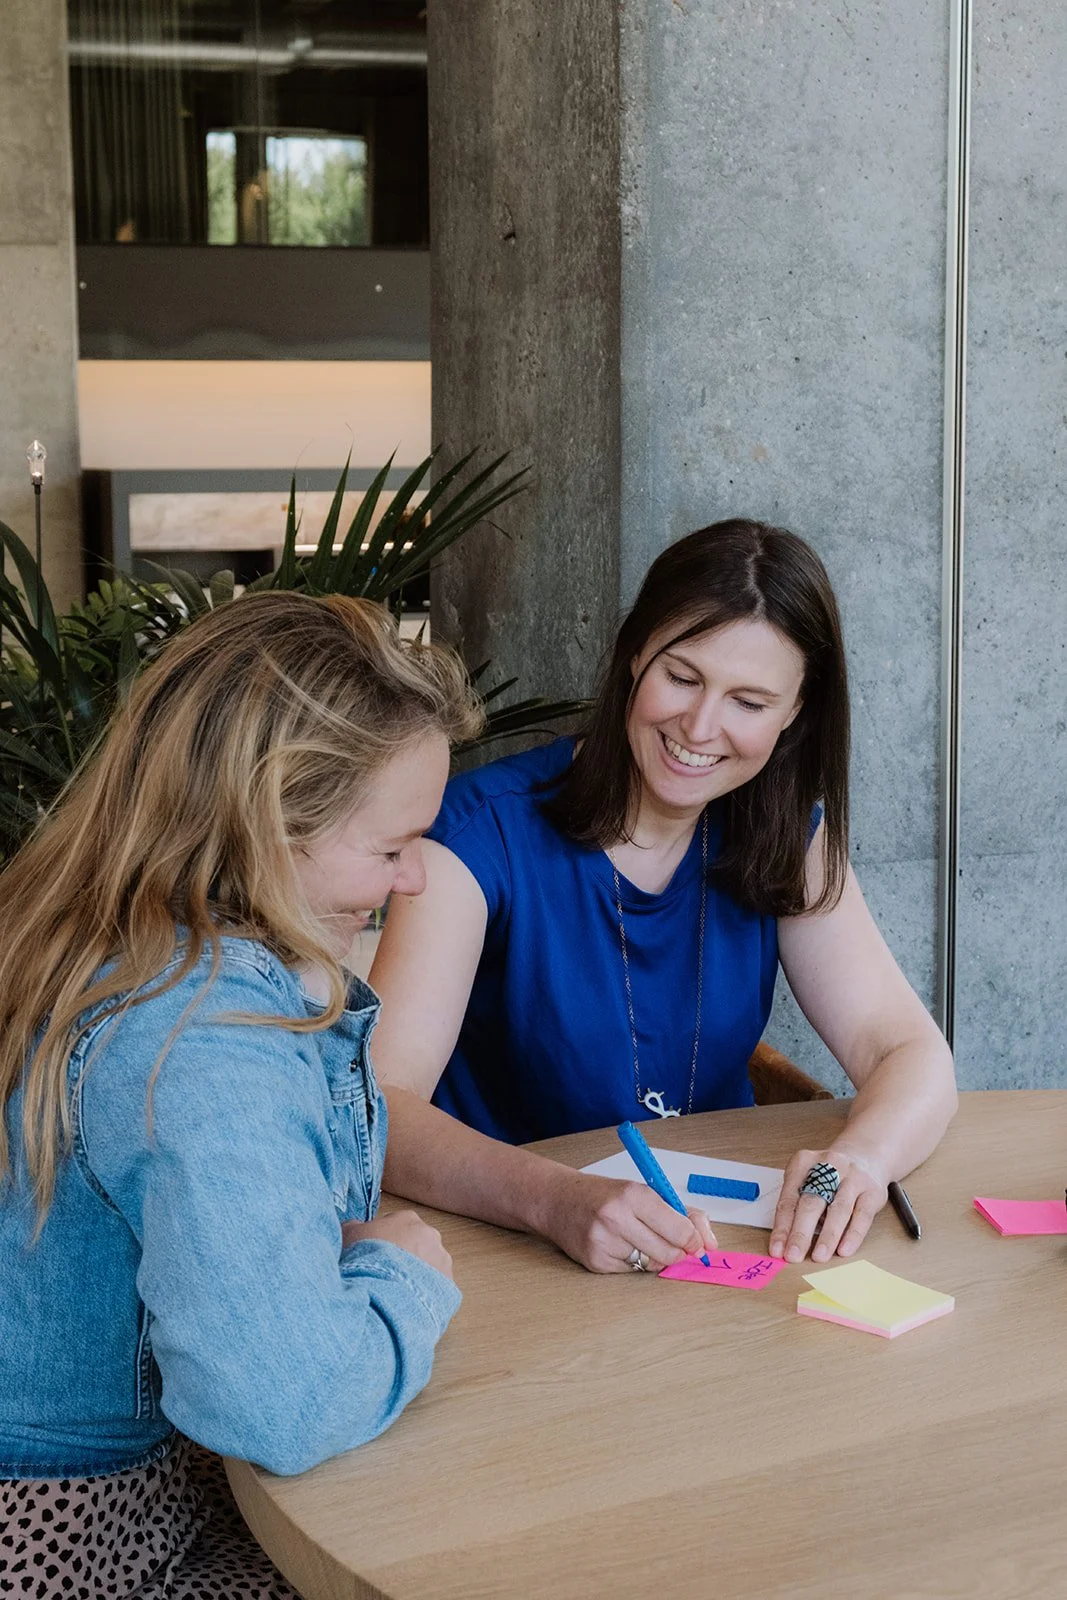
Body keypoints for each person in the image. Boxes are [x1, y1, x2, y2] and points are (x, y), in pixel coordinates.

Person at [0, 593, 482, 1598]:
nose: (412, 880)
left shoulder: (74, 926)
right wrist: (402, 1276)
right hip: (91, 1536)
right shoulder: (206, 1028)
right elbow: (284, 1405)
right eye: (390, 848)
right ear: (271, 821)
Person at [370, 518, 958, 1276]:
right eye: (681, 677)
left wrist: (859, 1162)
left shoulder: (786, 836)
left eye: (749, 702)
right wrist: (554, 1200)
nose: (700, 727)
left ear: (794, 714)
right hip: (510, 1251)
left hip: (714, 1247)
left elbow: (906, 1050)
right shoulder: (474, 836)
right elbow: (380, 1109)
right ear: (634, 655)